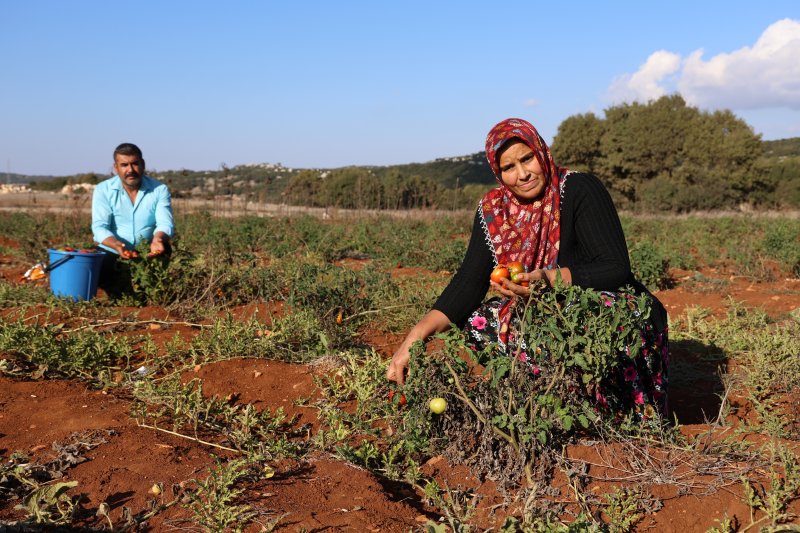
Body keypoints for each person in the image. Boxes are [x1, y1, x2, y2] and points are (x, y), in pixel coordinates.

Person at [386, 118, 668, 418]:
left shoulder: (578, 188)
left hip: (607, 303)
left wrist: (549, 279)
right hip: (549, 311)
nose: (522, 174)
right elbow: (468, 283)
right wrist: (412, 341)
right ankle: (550, 402)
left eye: (527, 158)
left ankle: (617, 411)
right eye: (509, 167)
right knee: (480, 321)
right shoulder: (494, 210)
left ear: (540, 151)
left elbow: (615, 268)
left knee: (577, 311)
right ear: (498, 172)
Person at [92, 143, 175, 294]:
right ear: (116, 168)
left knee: (164, 247)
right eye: (124, 165)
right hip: (113, 252)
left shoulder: (159, 189)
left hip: (147, 252)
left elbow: (165, 223)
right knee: (115, 288)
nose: (130, 170)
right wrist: (117, 245)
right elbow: (99, 228)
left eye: (135, 164)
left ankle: (153, 292)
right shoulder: (103, 190)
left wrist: (158, 239)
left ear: (143, 165)